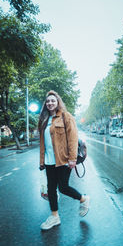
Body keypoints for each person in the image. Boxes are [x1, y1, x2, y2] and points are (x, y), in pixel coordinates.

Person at [38, 90, 90, 230]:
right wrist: (42, 161)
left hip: (63, 160)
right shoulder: (43, 119)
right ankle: (54, 216)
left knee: (63, 187)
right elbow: (43, 142)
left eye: (53, 101)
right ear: (46, 104)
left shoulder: (66, 116)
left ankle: (84, 199)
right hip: (49, 160)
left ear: (58, 102)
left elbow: (73, 138)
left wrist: (72, 159)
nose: (50, 103)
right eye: (48, 101)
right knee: (51, 189)